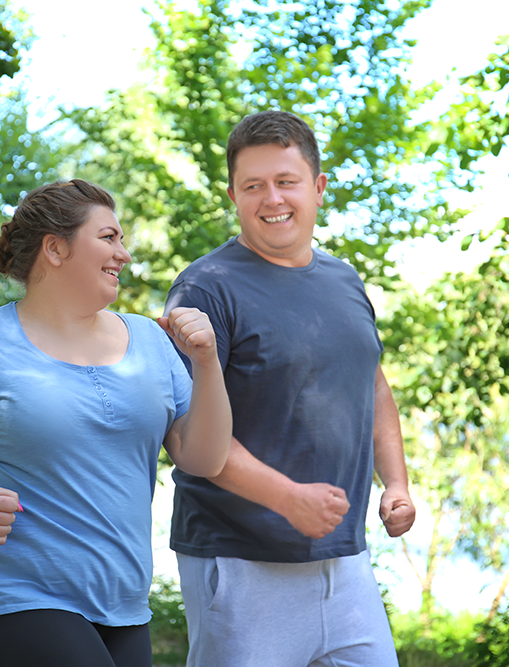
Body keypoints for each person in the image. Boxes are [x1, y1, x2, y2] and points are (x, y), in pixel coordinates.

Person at [0, 179, 231, 667]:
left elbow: (206, 457)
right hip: (10, 596)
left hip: (123, 605)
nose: (124, 254)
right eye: (108, 238)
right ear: (55, 248)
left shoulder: (151, 341)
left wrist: (208, 361)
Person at [164, 110, 417, 667]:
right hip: (240, 563)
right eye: (253, 185)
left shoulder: (344, 281)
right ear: (233, 194)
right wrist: (287, 498)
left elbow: (372, 387)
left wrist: (394, 484)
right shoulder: (205, 288)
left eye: (286, 182)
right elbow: (187, 435)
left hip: (345, 563)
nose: (271, 198)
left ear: (319, 188)